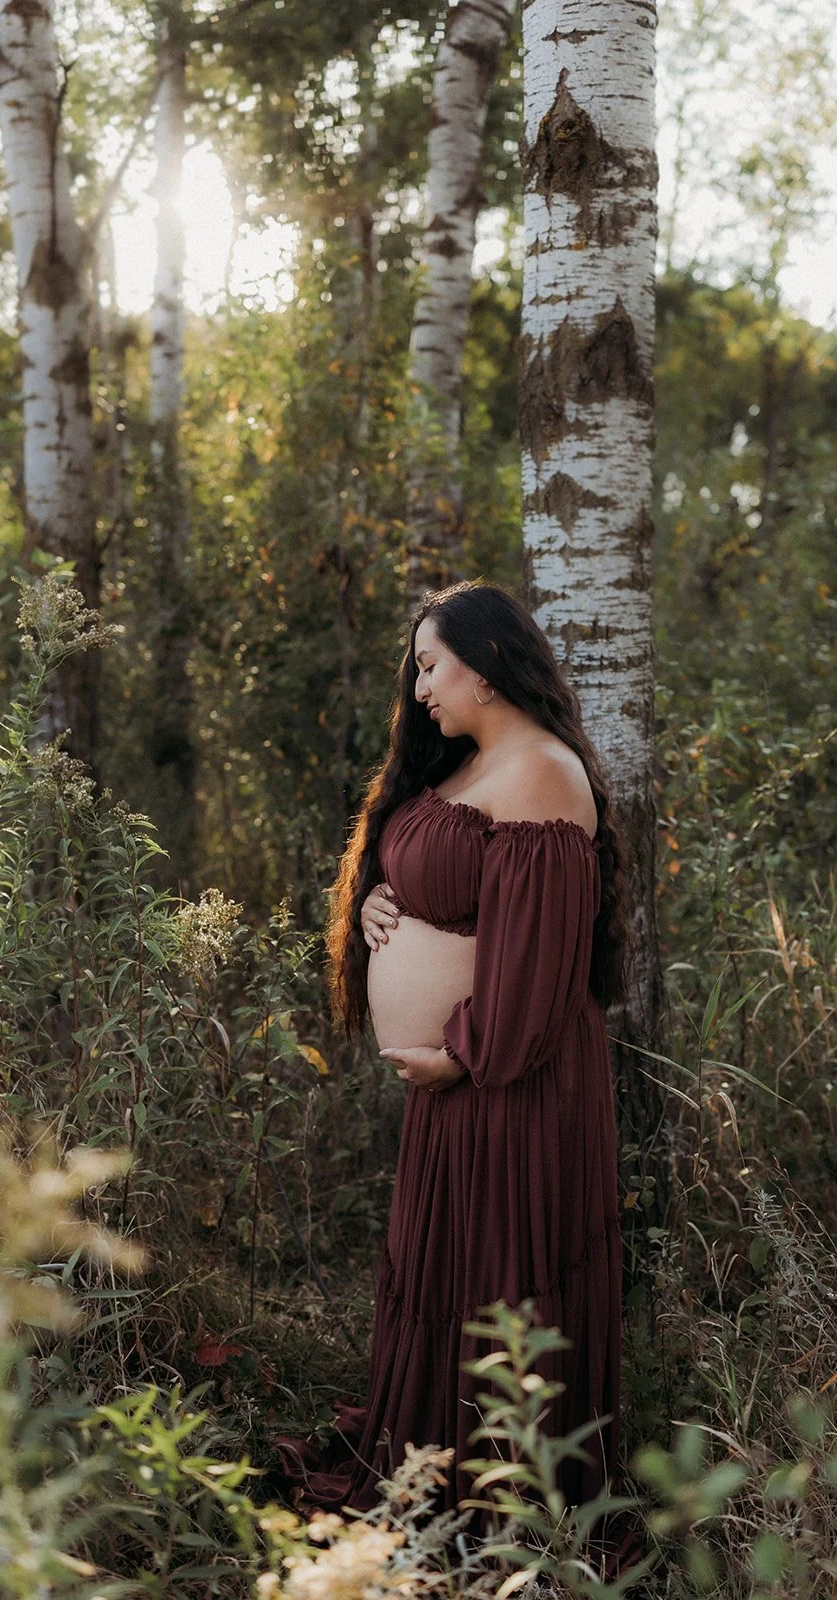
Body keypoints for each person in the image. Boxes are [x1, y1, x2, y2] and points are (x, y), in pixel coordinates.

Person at [275, 579, 627, 1526]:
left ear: (486, 660)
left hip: (512, 1079)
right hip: (460, 1085)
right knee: (453, 1273)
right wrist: (380, 902)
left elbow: (542, 960)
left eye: (429, 666)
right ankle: (434, 1466)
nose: (420, 690)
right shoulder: (467, 769)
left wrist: (463, 1055)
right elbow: (441, 889)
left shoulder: (544, 772)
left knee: (505, 1275)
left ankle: (508, 1505)